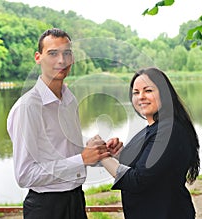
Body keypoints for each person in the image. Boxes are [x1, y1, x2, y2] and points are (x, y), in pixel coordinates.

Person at [7, 28, 122, 219]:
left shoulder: (69, 99)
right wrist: (82, 159)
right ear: (38, 57)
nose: (61, 60)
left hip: (76, 200)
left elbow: (66, 152)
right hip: (46, 208)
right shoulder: (28, 107)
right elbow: (25, 175)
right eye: (53, 53)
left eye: (67, 53)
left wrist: (97, 152)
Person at [102, 67, 200, 219]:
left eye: (148, 91)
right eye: (136, 92)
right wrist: (117, 155)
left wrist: (102, 157)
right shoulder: (155, 128)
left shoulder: (169, 131)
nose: (140, 97)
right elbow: (148, 168)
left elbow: (137, 180)